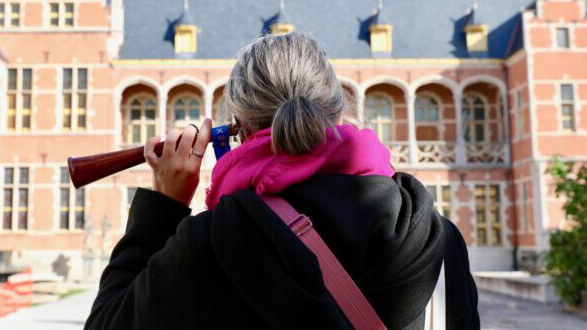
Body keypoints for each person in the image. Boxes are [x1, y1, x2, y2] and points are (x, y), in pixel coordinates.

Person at [85, 33, 479, 329]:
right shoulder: (438, 239)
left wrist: (163, 206)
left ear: (238, 130)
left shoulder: (211, 244)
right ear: (339, 111)